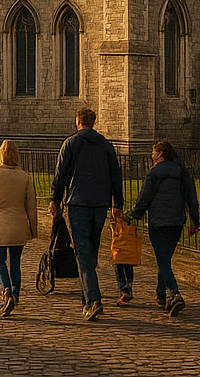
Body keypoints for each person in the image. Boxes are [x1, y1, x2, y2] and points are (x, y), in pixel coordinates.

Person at [49, 106, 124, 320]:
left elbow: (60, 174)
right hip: (100, 203)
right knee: (90, 250)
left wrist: (55, 199)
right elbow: (115, 176)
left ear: (78, 121)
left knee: (83, 252)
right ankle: (87, 301)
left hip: (78, 203)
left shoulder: (71, 143)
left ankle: (93, 300)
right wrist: (116, 203)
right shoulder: (106, 145)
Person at [125, 139, 200, 316]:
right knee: (164, 259)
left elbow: (144, 199)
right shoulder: (182, 171)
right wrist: (194, 221)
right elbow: (192, 197)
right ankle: (160, 293)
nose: (151, 155)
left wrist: (132, 215)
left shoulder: (154, 172)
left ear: (160, 154)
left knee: (162, 260)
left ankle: (175, 293)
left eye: (153, 152)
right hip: (176, 223)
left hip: (158, 223)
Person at [0, 139, 38, 317]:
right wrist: (33, 230)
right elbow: (32, 207)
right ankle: (16, 294)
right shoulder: (25, 177)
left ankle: (6, 291)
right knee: (15, 262)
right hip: (18, 225)